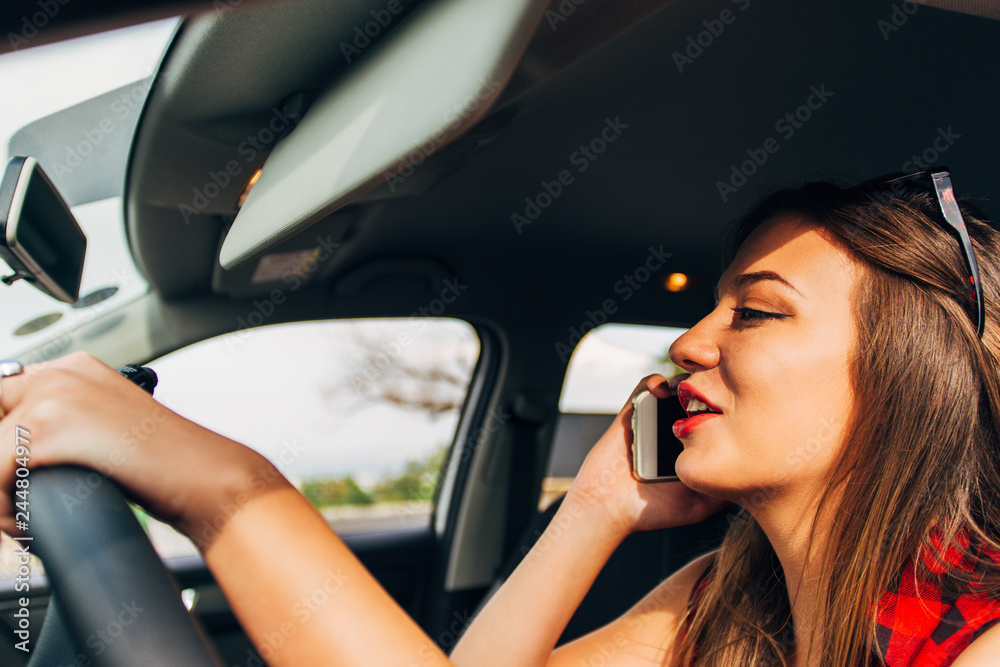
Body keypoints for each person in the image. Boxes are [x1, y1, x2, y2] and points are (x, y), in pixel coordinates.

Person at [1, 168, 1000, 666]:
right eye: (705, 307)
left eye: (757, 310)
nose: (690, 344)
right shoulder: (721, 604)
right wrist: (598, 504)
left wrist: (227, 490)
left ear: (910, 377)